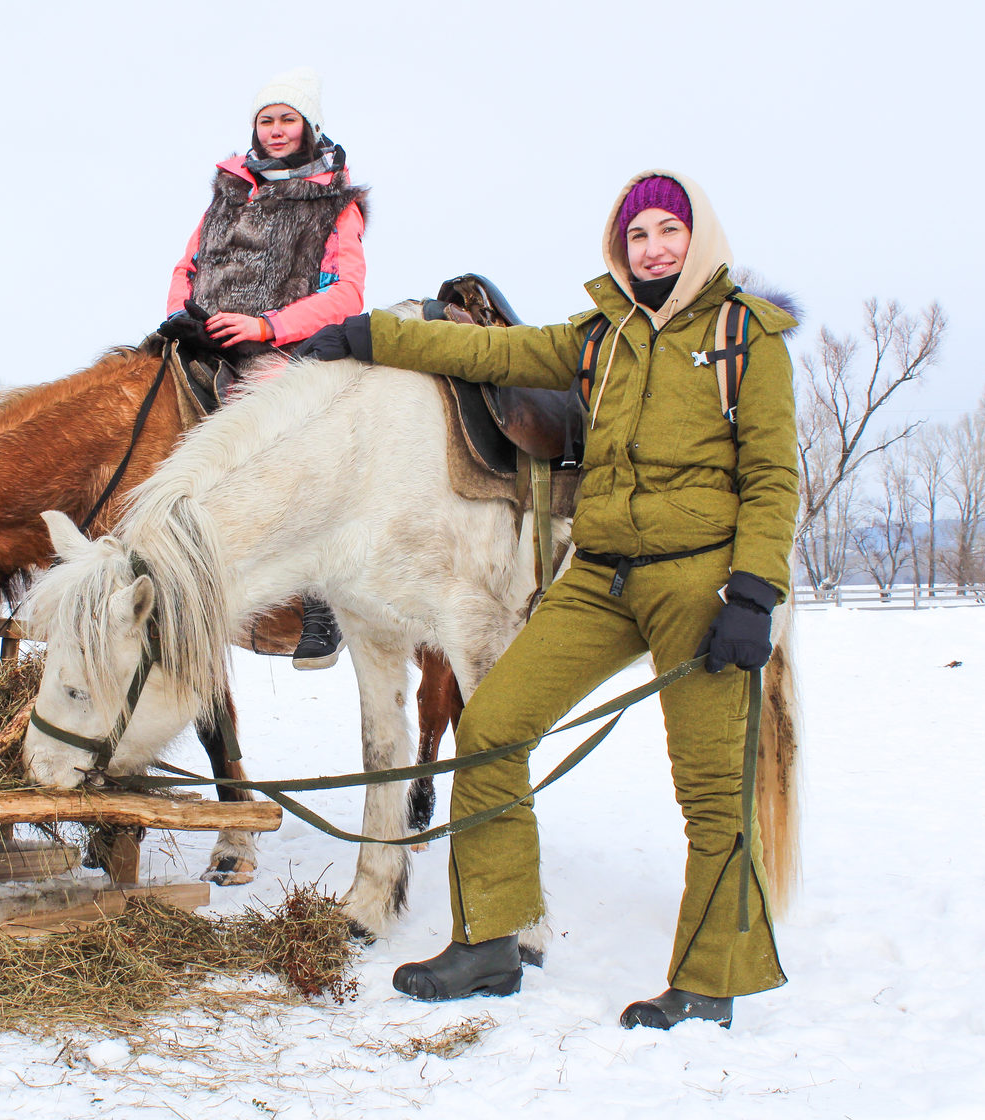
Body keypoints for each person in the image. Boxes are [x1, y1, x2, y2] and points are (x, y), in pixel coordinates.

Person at [301, 171, 798, 1029]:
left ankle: (709, 981)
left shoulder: (745, 338)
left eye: (666, 233)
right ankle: (489, 939)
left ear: (698, 240)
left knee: (711, 788)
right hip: (600, 576)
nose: (652, 248)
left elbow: (772, 474)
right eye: (637, 235)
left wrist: (753, 590)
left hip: (696, 578)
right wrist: (365, 336)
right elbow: (488, 354)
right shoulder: (598, 337)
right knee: (491, 728)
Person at [159, 68, 368, 670]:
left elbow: (347, 294)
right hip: (209, 334)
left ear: (309, 126)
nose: (277, 130)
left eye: (288, 119)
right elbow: (187, 264)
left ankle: (321, 596)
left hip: (283, 343)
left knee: (271, 431)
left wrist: (265, 326)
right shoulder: (228, 190)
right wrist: (182, 313)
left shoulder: (337, 202)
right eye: (266, 119)